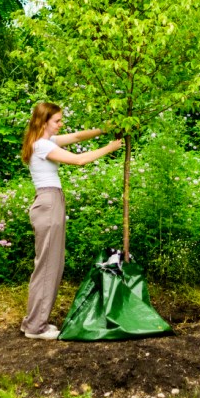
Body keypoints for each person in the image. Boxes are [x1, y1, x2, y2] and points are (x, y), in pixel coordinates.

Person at [19, 101, 123, 340]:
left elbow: (76, 137)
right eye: (57, 121)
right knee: (48, 267)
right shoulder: (42, 145)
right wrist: (110, 147)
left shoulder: (44, 142)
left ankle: (32, 322)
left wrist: (104, 129)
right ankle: (36, 328)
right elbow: (79, 160)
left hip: (49, 202)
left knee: (46, 265)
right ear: (43, 122)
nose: (61, 124)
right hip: (49, 203)